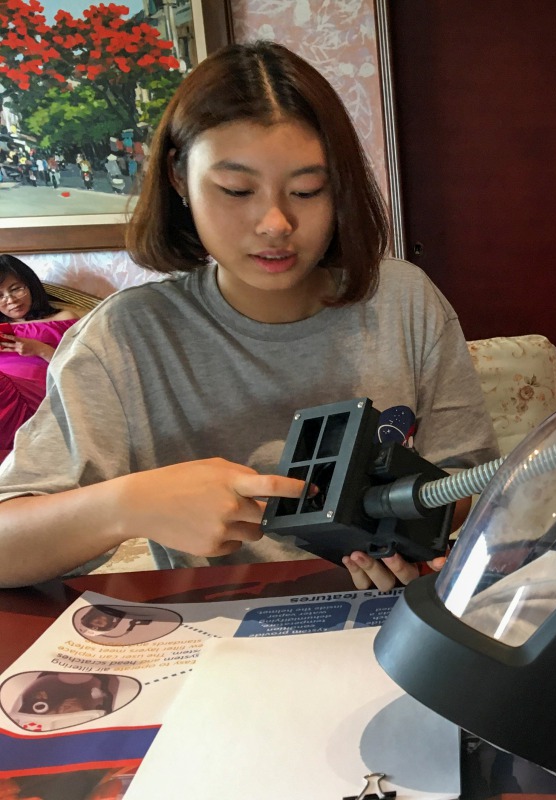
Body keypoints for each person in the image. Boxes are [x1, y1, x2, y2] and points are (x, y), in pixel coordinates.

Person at [0, 41, 498, 590]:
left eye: (307, 190)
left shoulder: (403, 300)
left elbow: (467, 478)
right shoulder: (125, 338)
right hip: (217, 627)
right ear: (178, 177)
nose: (275, 223)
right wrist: (129, 505)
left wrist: (401, 529)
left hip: (384, 613)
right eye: (237, 190)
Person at [0, 255, 80, 452]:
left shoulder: (63, 319)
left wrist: (39, 349)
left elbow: (82, 369)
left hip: (40, 395)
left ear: (30, 285)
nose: (10, 300)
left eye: (16, 289)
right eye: (0, 295)